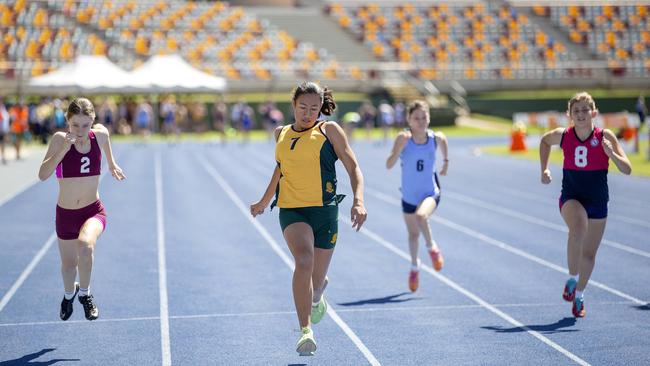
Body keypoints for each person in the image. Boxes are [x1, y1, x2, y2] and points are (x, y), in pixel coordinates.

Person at [250, 82, 367, 356]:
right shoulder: (280, 133)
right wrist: (264, 201)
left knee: (315, 278)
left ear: (321, 108)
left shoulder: (329, 131)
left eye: (314, 108)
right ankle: (305, 332)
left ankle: (317, 292)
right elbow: (281, 170)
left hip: (325, 212)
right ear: (293, 106)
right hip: (293, 210)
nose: (308, 113)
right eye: (303, 107)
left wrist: (359, 200)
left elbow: (353, 167)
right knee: (304, 261)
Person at [540, 92, 631, 318]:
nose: (580, 115)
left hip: (598, 201)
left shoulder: (605, 136)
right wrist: (544, 168)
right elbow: (544, 141)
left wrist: (611, 154)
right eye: (576, 111)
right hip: (572, 196)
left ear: (594, 112)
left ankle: (579, 295)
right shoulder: (563, 136)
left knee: (589, 254)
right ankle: (572, 279)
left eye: (584, 110)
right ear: (569, 115)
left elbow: (627, 169)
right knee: (578, 228)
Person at [38, 98, 126, 321]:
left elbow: (106, 147)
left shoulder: (101, 135)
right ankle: (69, 295)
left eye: (85, 125)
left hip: (92, 211)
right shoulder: (60, 140)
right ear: (68, 121)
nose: (80, 130)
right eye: (75, 125)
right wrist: (63, 151)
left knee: (86, 246)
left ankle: (85, 295)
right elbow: (42, 174)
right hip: (65, 215)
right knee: (69, 267)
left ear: (93, 121)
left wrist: (113, 164)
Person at [386, 100, 448, 292]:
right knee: (413, 235)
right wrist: (398, 149)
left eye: (424, 117)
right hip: (409, 196)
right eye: (416, 118)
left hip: (430, 192)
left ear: (428, 118)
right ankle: (415, 267)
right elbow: (389, 164)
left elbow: (444, 141)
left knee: (422, 217)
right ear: (409, 120)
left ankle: (432, 248)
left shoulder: (435, 139)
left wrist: (446, 162)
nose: (421, 121)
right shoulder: (403, 138)